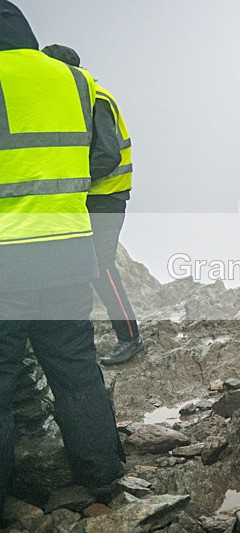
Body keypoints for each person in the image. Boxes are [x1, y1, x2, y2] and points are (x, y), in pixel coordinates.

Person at [0, 0, 125, 506]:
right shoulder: (75, 79)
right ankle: (103, 478)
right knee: (75, 369)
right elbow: (104, 156)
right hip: (68, 249)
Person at [41, 44, 143, 366]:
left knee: (101, 264)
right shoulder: (82, 96)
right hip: (93, 196)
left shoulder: (95, 98)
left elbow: (107, 155)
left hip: (105, 196)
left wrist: (74, 180)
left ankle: (130, 338)